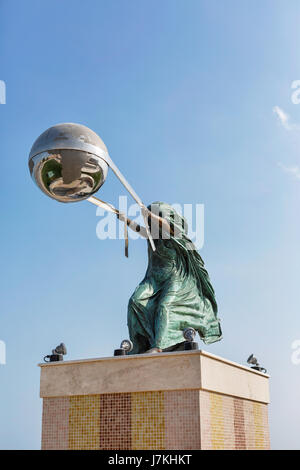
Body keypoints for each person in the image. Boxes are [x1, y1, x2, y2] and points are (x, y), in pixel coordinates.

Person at [126, 201, 222, 354]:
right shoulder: (153, 236)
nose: (151, 222)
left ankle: (159, 345)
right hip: (154, 279)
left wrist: (150, 215)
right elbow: (141, 230)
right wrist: (124, 219)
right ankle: (142, 343)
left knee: (165, 306)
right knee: (135, 301)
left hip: (175, 278)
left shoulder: (176, 234)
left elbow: (169, 227)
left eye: (154, 218)